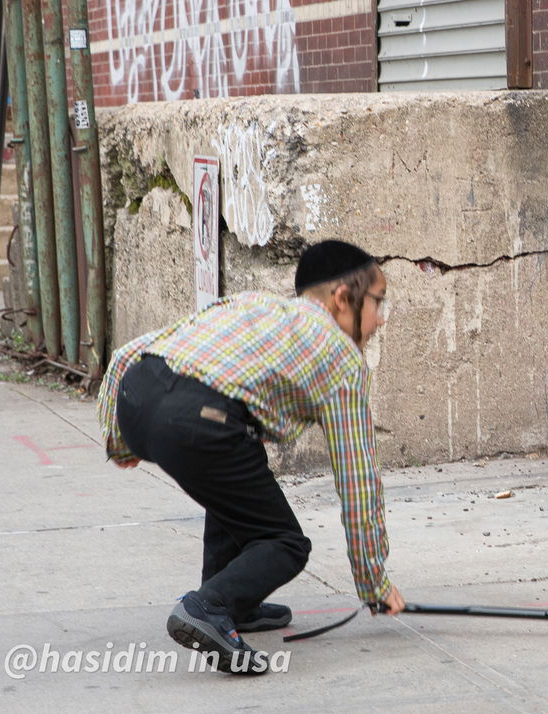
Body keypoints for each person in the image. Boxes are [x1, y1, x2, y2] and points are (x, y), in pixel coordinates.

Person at [97, 239, 404, 673]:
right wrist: (373, 582)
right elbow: (358, 482)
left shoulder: (254, 306)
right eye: (378, 301)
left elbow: (137, 349)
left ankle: (232, 603)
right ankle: (208, 607)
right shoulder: (342, 360)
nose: (382, 317)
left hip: (138, 393)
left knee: (237, 473)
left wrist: (122, 437)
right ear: (342, 298)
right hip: (197, 418)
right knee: (285, 544)